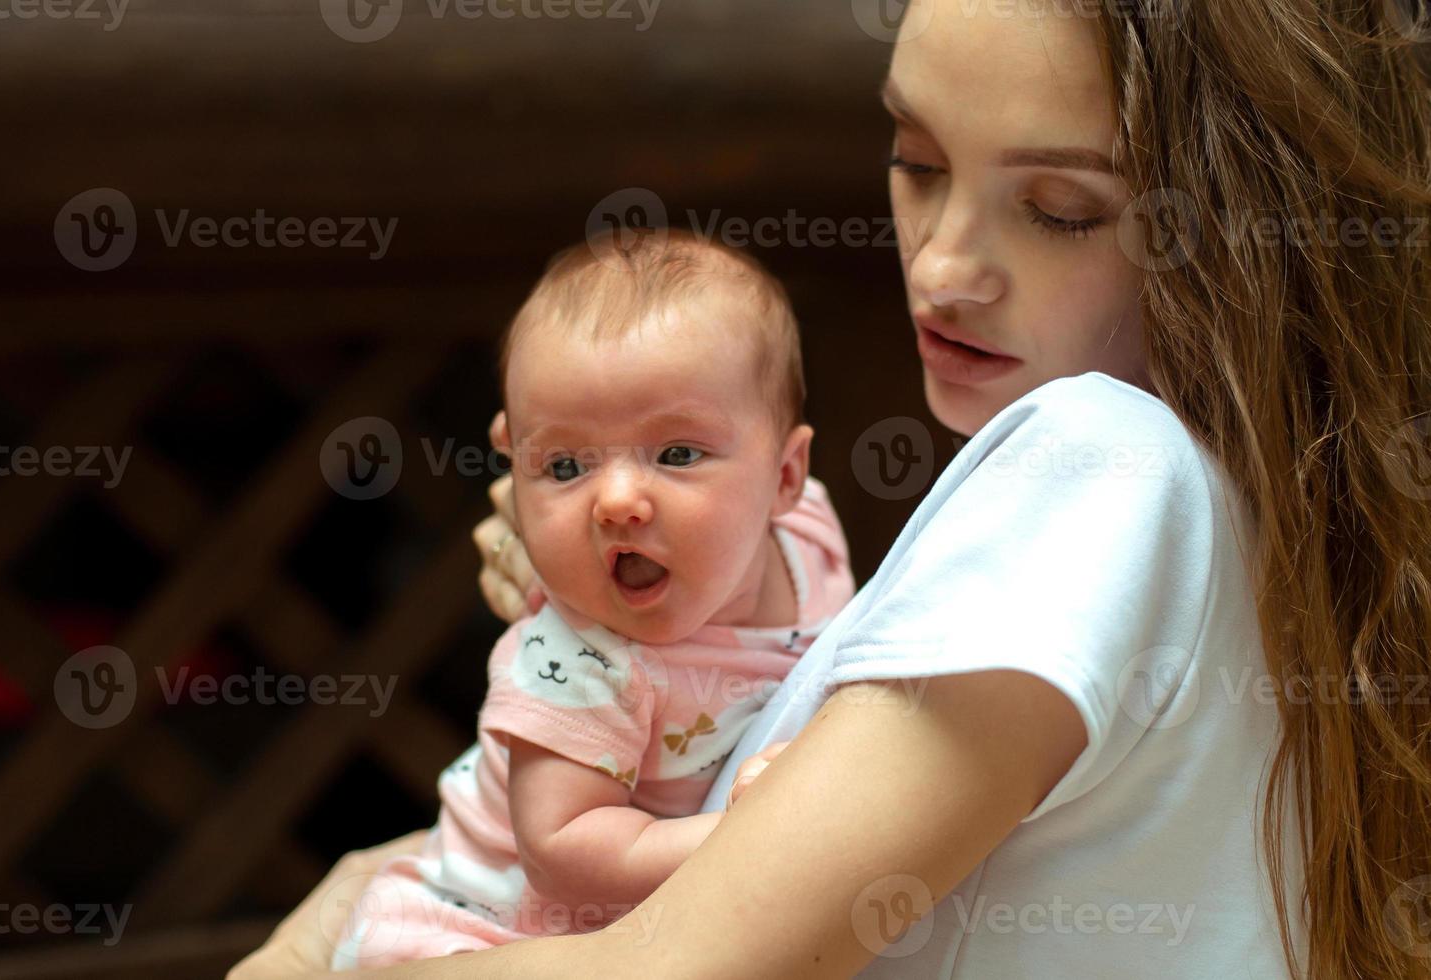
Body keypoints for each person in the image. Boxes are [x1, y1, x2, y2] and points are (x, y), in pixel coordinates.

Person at [232, 0, 1431, 976]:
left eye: (1060, 210)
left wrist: (314, 938)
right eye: (915, 160)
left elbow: (674, 967)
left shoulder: (1102, 457)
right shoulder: (1273, 527)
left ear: (1237, 227)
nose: (944, 264)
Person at [330, 230, 856, 969]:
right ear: (515, 462)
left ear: (785, 476)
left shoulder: (809, 535)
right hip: (492, 933)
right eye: (567, 464)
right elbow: (566, 851)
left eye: (676, 454)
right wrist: (752, 832)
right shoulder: (577, 657)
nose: (615, 501)